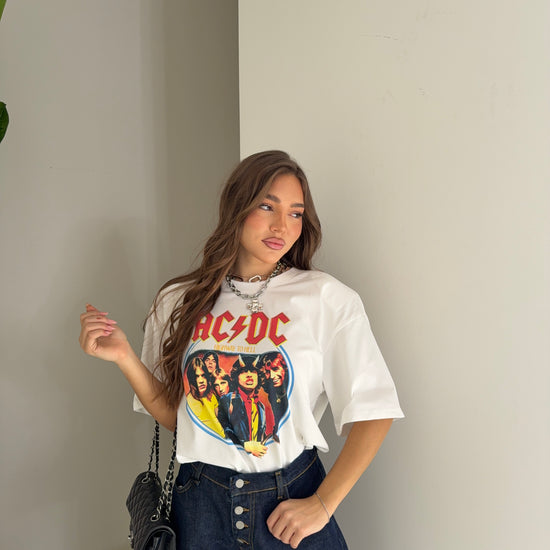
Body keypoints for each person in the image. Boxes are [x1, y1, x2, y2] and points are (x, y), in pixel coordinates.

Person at [79, 150, 404, 549]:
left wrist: (322, 504)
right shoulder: (179, 299)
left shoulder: (326, 299)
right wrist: (124, 356)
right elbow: (182, 418)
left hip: (290, 502)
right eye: (267, 206)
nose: (281, 225)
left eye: (296, 213)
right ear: (236, 206)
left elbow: (374, 411)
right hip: (199, 505)